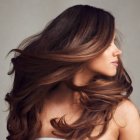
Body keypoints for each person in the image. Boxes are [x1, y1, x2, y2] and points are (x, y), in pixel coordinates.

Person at [5, 4, 140, 140]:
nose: (118, 51)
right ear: (82, 44)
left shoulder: (121, 113)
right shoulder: (34, 105)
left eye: (114, 42)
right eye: (108, 43)